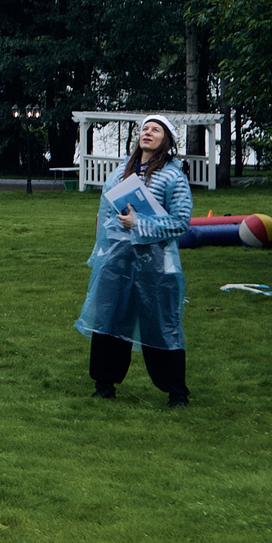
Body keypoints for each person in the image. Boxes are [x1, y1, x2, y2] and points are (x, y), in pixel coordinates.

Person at [74, 115, 196, 406]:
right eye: (145, 129)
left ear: (166, 139)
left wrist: (139, 224)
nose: (148, 133)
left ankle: (176, 392)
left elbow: (180, 222)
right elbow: (106, 215)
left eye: (155, 130)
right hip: (118, 262)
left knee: (162, 325)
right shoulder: (119, 174)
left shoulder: (172, 176)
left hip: (156, 266)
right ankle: (104, 384)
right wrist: (107, 247)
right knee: (110, 321)